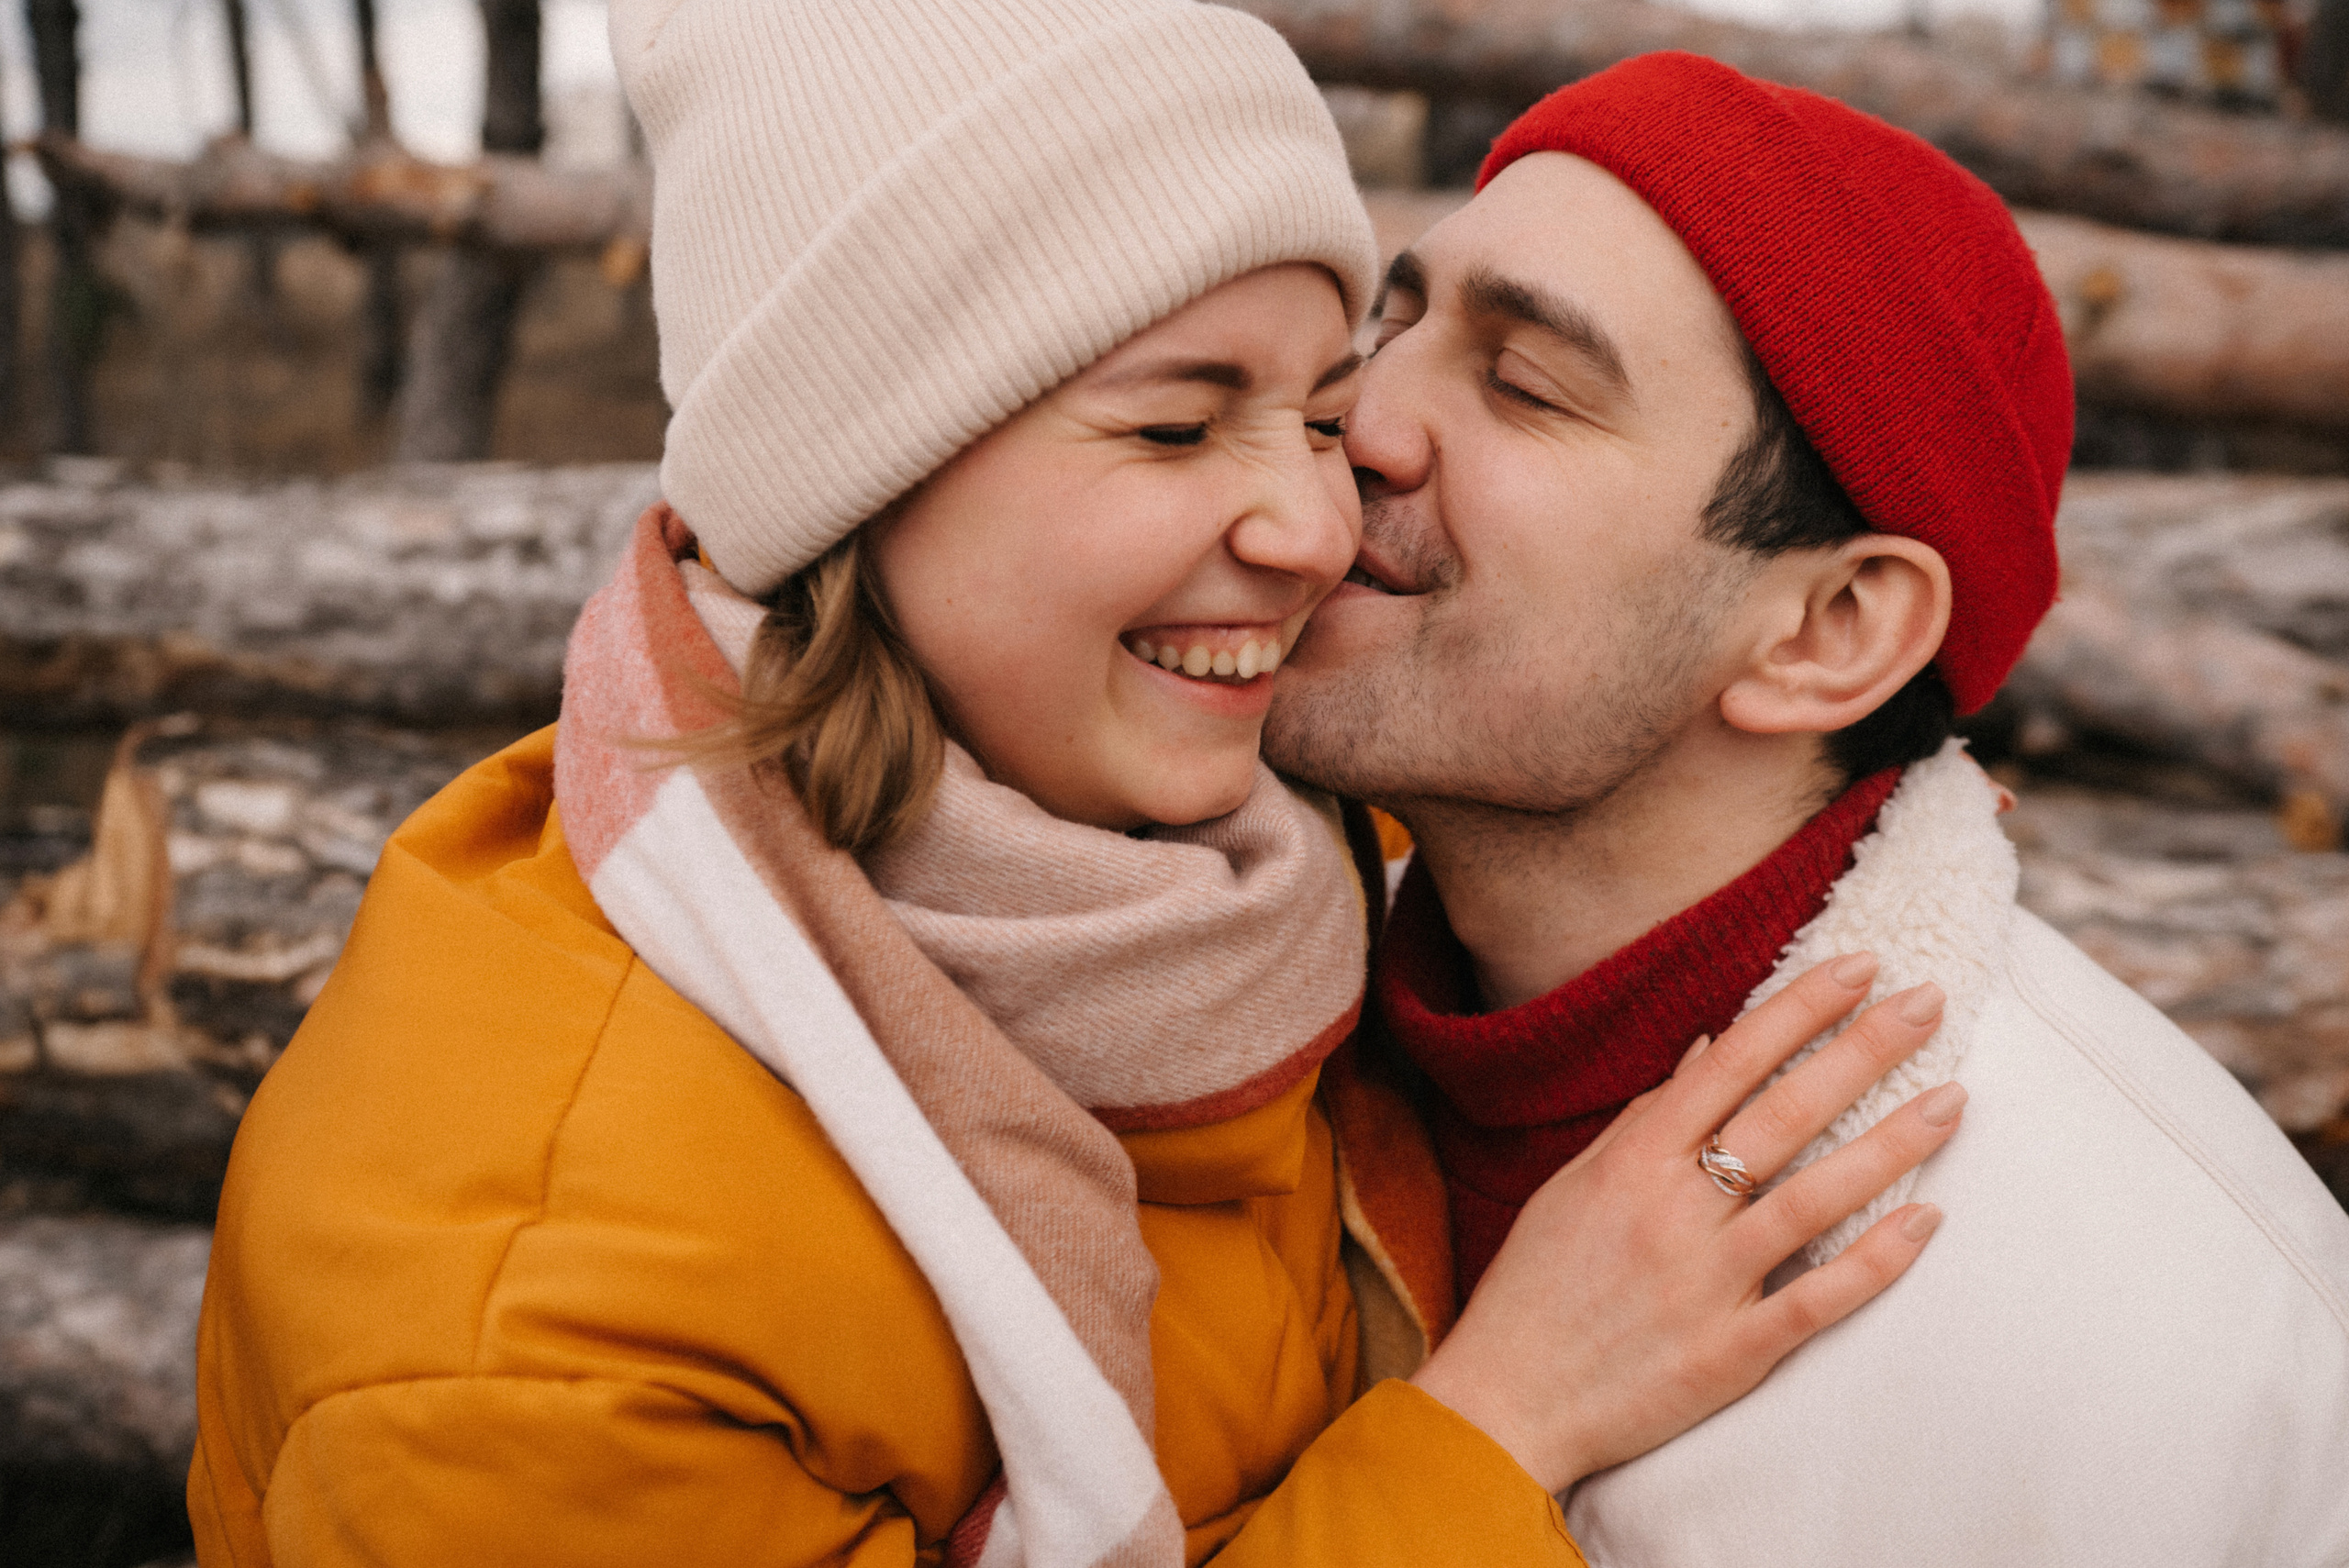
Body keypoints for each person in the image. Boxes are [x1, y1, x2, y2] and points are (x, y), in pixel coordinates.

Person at [186, 9, 1967, 1566]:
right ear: (860, 475)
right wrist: (1495, 1430)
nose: (1320, 520)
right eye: (1176, 424)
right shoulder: (535, 1314)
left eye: (1315, 403)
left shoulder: (1195, 853)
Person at [1264, 50, 2349, 1566]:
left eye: (1524, 382)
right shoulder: (1225, 1056)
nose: (1362, 423)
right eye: (1397, 318)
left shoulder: (2142, 1347)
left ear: (1826, 630)